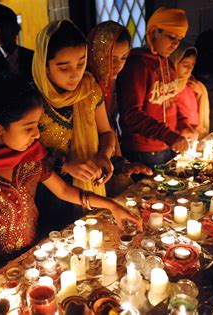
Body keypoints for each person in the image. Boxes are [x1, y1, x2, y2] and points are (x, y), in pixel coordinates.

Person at [0, 74, 143, 290]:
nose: (37, 134)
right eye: (28, 128)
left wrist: (111, 205)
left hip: (31, 258)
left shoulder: (29, 155)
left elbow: (63, 189)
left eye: (37, 125)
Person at [32, 20, 117, 231]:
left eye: (81, 63)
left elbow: (106, 131)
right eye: (64, 67)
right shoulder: (31, 101)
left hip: (92, 183)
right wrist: (65, 165)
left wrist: (104, 154)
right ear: (45, 64)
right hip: (48, 194)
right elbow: (27, 158)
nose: (75, 74)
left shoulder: (89, 88)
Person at [116, 7, 191, 168]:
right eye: (171, 37)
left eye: (179, 39)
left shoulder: (169, 65)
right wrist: (169, 136)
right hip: (144, 150)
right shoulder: (137, 65)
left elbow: (172, 102)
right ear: (153, 32)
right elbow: (131, 114)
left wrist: (183, 126)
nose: (175, 44)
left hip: (168, 144)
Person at [87, 21, 152, 183]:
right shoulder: (84, 87)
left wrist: (120, 163)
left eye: (123, 58)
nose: (117, 65)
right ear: (96, 52)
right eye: (111, 57)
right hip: (84, 168)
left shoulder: (113, 83)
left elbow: (108, 129)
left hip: (106, 157)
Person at [170, 42, 210, 138]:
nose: (189, 68)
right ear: (174, 61)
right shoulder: (169, 87)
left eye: (192, 64)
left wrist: (199, 93)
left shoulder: (191, 82)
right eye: (185, 64)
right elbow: (173, 113)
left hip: (193, 131)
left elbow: (193, 107)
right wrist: (186, 126)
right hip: (178, 133)